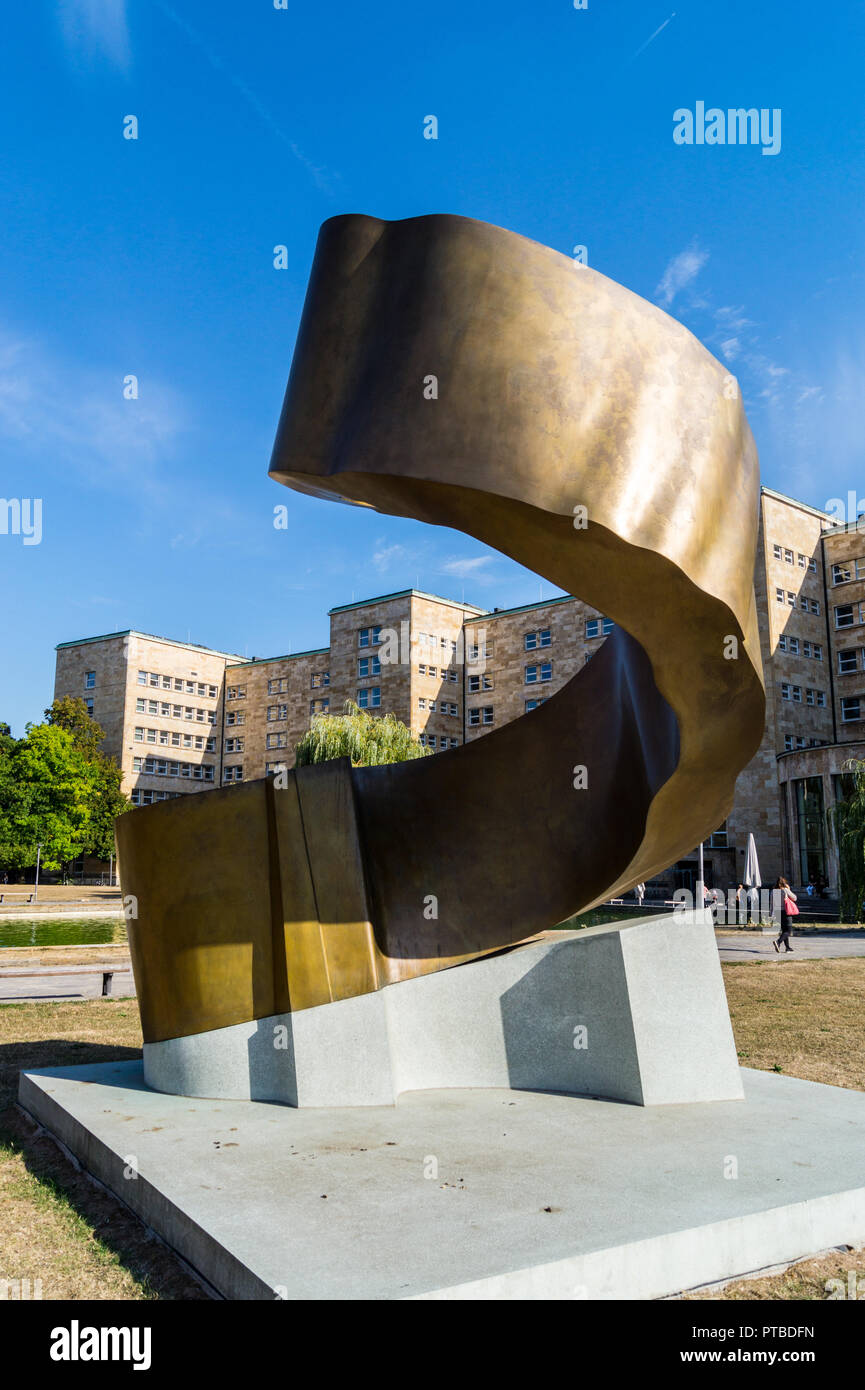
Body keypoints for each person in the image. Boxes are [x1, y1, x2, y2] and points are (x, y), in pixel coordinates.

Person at [773, 876, 798, 953]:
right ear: (784, 883)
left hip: (777, 912)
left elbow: (771, 904)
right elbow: (795, 898)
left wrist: (772, 914)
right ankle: (778, 942)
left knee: (784, 930)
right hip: (786, 912)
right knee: (789, 931)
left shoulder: (773, 891)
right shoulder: (785, 890)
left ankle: (787, 948)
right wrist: (789, 889)